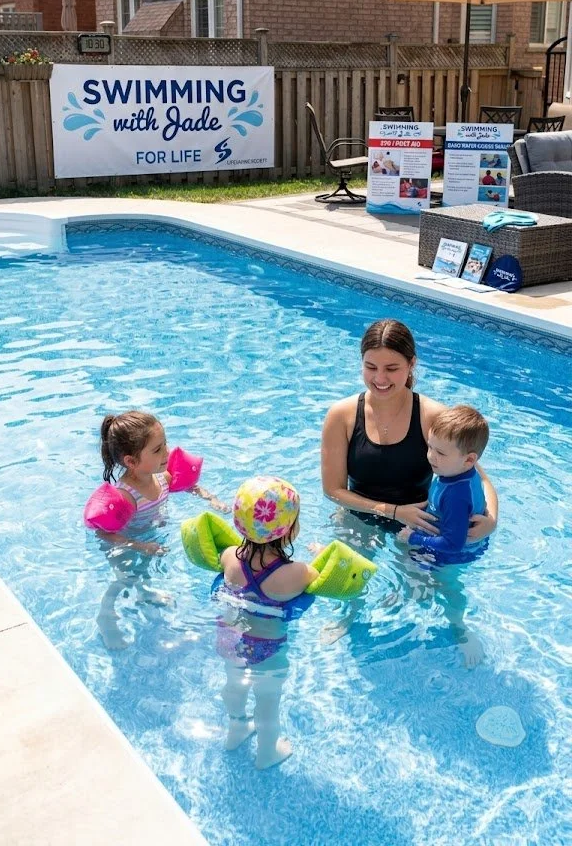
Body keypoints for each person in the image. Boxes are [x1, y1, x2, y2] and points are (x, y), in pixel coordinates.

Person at [320, 320, 497, 645]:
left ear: (411, 364)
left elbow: (480, 477)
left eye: (392, 368)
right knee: (348, 580)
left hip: (422, 521)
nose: (380, 378)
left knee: (432, 591)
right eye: (370, 367)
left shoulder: (431, 415)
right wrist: (393, 511)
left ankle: (459, 628)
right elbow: (333, 490)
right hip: (361, 514)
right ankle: (346, 616)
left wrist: (492, 521)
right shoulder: (342, 415)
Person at [95, 410, 226, 649]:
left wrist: (211, 499)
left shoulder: (161, 478)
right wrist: (139, 546)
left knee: (143, 573)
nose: (167, 452)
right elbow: (104, 533)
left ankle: (145, 594)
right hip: (125, 544)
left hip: (149, 539)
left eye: (164, 444)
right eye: (157, 450)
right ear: (131, 462)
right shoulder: (126, 495)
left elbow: (189, 486)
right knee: (125, 579)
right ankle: (106, 616)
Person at [215, 476, 319, 769]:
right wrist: (320, 553)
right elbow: (320, 575)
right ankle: (267, 752)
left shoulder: (229, 558)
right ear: (289, 529)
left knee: (234, 685)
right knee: (267, 703)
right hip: (267, 650)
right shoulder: (294, 574)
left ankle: (236, 729)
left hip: (229, 638)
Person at [398, 404, 489, 563]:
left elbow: (453, 544)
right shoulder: (454, 472)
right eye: (430, 447)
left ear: (469, 460)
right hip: (449, 539)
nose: (431, 456)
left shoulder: (456, 496)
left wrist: (415, 538)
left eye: (440, 453)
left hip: (449, 557)